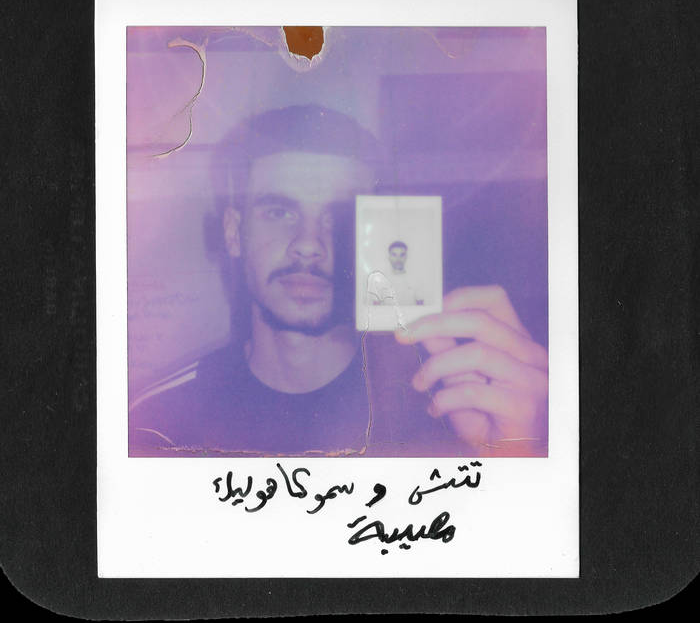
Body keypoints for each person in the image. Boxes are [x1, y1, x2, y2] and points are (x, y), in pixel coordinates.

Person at [129, 105, 548, 458]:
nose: (308, 245)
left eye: (338, 217)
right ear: (234, 232)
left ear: (374, 235)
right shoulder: (158, 423)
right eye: (279, 212)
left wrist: (513, 458)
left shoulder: (454, 405)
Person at [367, 241, 425, 306]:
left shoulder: (415, 280)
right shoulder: (380, 281)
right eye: (394, 255)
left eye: (402, 255)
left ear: (406, 257)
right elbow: (375, 308)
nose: (398, 259)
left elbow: (421, 307)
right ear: (389, 257)